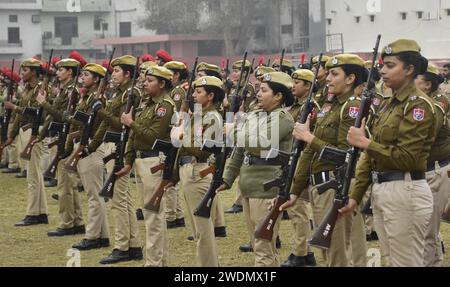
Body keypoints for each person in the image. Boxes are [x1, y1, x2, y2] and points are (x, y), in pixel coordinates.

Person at [341, 39, 436, 267]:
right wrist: (356, 195)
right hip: (385, 189)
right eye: (383, 65)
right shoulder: (389, 104)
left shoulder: (417, 106)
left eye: (390, 65)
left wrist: (365, 143)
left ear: (410, 69)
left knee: (406, 262)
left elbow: (408, 158)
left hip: (405, 189)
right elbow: (371, 156)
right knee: (392, 261)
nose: (382, 70)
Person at [287, 54, 367, 267]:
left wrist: (309, 138)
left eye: (334, 73)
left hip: (335, 185)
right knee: (327, 251)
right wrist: (295, 189)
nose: (327, 77)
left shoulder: (352, 108)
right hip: (320, 185)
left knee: (336, 252)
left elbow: (345, 155)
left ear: (350, 79)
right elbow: (308, 153)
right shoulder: (328, 106)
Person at [218, 71, 295, 267]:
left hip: (266, 188)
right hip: (249, 186)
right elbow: (239, 151)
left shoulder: (283, 118)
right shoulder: (255, 115)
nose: (258, 94)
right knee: (259, 245)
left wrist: (233, 132)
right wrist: (226, 178)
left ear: (278, 96)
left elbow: (261, 142)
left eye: (263, 90)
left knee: (263, 247)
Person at [118, 65, 176, 267]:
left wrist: (130, 123)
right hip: (142, 161)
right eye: (145, 79)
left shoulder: (164, 106)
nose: (145, 83)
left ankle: (153, 263)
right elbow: (134, 137)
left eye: (150, 80)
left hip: (154, 161)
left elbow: (153, 136)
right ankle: (159, 261)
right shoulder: (148, 105)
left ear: (162, 83)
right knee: (151, 214)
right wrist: (128, 161)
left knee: (153, 217)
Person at [89, 55, 143, 264]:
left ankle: (122, 246)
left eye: (117, 71)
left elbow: (122, 124)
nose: (113, 75)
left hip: (122, 147)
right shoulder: (119, 94)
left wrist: (100, 111)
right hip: (114, 145)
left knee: (118, 200)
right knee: (124, 200)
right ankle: (133, 245)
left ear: (128, 74)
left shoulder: (131, 94)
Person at [174, 76, 225, 267]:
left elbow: (206, 149)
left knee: (203, 231)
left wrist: (182, 138)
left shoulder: (213, 118)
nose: (194, 95)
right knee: (197, 230)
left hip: (199, 172)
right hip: (189, 171)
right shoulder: (199, 115)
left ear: (210, 95)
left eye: (199, 92)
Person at [38, 58, 85, 237]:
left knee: (64, 185)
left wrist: (44, 104)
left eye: (61, 70)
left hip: (66, 138)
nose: (57, 73)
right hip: (61, 137)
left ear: (70, 72)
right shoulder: (65, 90)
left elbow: (63, 117)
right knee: (69, 185)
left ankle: (67, 223)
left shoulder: (72, 91)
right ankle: (77, 221)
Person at [3, 58, 48, 227]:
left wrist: (15, 108)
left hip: (34, 132)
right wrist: (11, 136)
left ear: (35, 72)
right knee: (34, 174)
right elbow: (20, 116)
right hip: (24, 131)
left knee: (33, 175)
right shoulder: (28, 90)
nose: (22, 73)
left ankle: (33, 213)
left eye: (26, 70)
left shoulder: (41, 89)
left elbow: (40, 114)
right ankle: (41, 212)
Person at [281, 69, 319, 267]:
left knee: (298, 209)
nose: (293, 85)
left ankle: (301, 252)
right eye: (293, 81)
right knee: (296, 208)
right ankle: (304, 251)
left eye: (298, 82)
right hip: (294, 159)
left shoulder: (312, 107)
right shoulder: (295, 106)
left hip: (305, 160)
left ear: (308, 86)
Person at [71, 63, 111, 250]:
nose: (82, 77)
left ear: (96, 80)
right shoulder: (87, 98)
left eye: (87, 75)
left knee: (94, 195)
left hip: (92, 149)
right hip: (86, 146)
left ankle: (93, 236)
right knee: (94, 194)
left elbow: (97, 126)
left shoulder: (99, 100)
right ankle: (102, 235)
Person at [414, 63, 450, 266]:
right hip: (431, 169)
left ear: (427, 85)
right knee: (429, 229)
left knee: (427, 231)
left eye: (415, 80)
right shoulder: (425, 102)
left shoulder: (436, 105)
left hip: (435, 170)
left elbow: (423, 137)